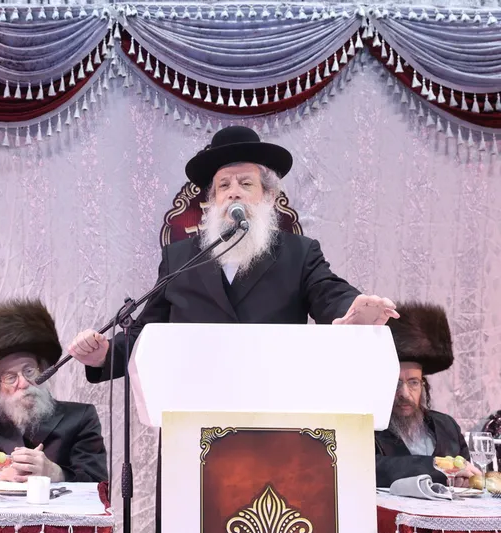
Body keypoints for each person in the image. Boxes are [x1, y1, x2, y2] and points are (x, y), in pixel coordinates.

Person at [67, 126, 400, 531]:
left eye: (246, 183)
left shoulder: (298, 253)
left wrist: (353, 310)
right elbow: (146, 333)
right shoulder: (181, 258)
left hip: (279, 431)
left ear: (268, 197)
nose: (233, 193)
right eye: (223, 185)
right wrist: (105, 354)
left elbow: (329, 292)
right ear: (210, 201)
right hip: (194, 433)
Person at [0, 298, 107, 483]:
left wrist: (55, 473)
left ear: (42, 370)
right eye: (10, 377)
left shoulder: (82, 417)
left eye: (29, 371)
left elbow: (97, 483)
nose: (23, 383)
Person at [375, 301, 480, 487]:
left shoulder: (447, 426)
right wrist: (438, 467)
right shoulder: (371, 429)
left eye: (413, 382)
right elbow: (374, 469)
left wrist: (464, 481)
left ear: (423, 385)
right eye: (396, 383)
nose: (404, 393)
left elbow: (465, 474)